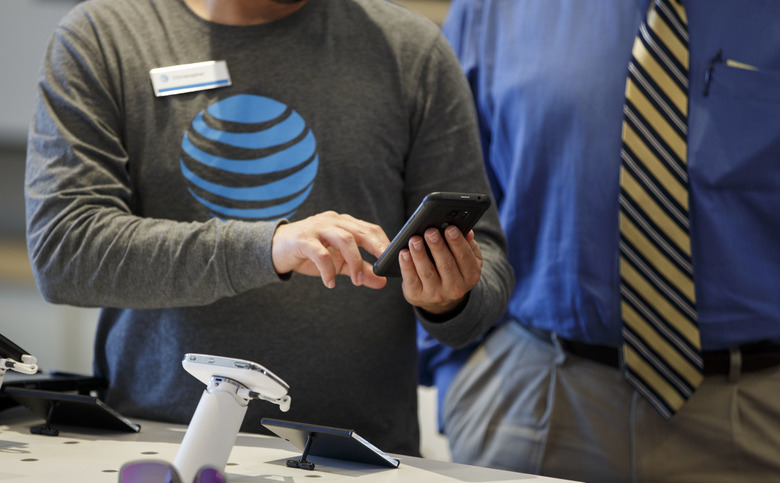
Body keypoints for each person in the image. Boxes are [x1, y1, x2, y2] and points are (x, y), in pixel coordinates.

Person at [24, 0, 514, 457]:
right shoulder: (104, 38)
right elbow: (66, 252)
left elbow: (485, 277)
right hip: (153, 445)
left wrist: (448, 297)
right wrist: (270, 246)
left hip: (353, 455)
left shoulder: (411, 50)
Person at [419, 0, 780, 480]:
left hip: (752, 411)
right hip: (536, 401)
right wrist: (455, 379)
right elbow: (439, 186)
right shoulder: (493, 8)